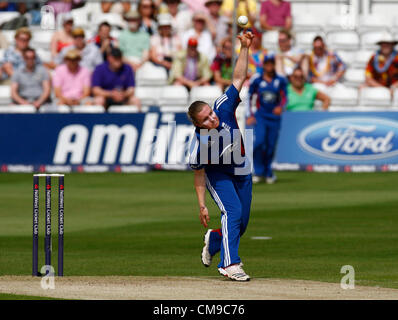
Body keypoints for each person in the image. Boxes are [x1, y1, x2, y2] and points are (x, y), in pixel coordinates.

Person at [188, 31, 254, 281]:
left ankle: (215, 238)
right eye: (205, 118)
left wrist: (244, 47)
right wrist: (202, 205)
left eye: (210, 113)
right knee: (233, 213)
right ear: (199, 124)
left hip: (241, 171)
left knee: (241, 224)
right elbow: (198, 175)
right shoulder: (200, 146)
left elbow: (238, 77)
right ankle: (230, 264)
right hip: (219, 176)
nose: (211, 117)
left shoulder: (223, 106)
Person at [246, 54, 287, 184]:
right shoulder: (257, 80)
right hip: (261, 116)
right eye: (267, 64)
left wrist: (281, 107)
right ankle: (258, 171)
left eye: (271, 64)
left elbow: (285, 97)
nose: (269, 66)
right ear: (263, 65)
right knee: (259, 142)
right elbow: (249, 96)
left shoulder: (280, 80)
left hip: (274, 117)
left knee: (270, 146)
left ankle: (268, 172)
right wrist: (250, 114)